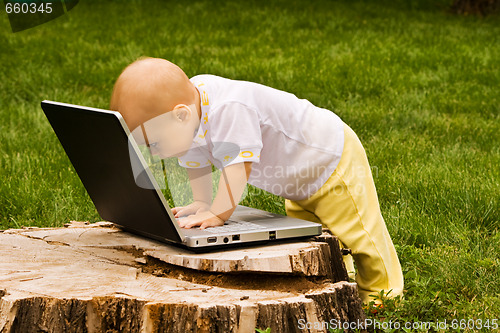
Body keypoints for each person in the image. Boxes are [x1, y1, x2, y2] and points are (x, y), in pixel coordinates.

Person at [110, 57, 404, 304]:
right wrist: (201, 202)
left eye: (154, 144)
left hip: (330, 161)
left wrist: (218, 213)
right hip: (297, 177)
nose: (154, 153)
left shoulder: (229, 109)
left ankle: (383, 297)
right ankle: (344, 282)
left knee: (361, 234)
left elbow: (237, 169)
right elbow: (196, 162)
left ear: (180, 116)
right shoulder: (191, 112)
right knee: (322, 236)